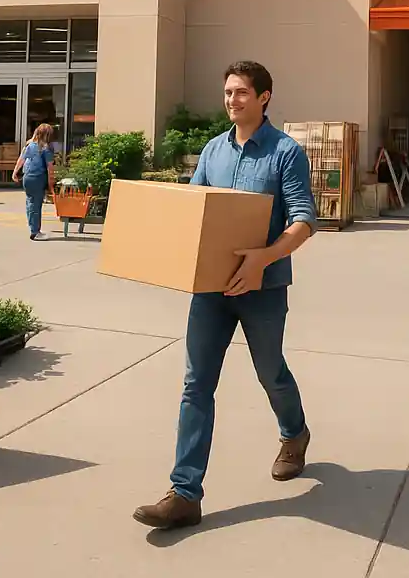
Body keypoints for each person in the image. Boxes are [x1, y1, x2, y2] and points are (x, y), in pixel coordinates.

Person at [133, 61, 317, 531]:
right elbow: (194, 211)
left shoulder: (285, 152)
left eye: (241, 92)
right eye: (228, 92)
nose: (232, 100)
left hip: (263, 289)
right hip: (211, 290)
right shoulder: (213, 151)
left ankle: (294, 434)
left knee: (270, 372)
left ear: (264, 98)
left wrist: (263, 258)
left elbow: (303, 222)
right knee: (196, 385)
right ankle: (184, 493)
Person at [13, 123, 56, 241]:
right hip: (38, 178)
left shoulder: (29, 145)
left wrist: (15, 172)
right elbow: (50, 167)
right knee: (36, 205)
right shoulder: (46, 148)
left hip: (27, 178)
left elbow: (21, 159)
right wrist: (51, 182)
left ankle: (33, 228)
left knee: (30, 203)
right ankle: (35, 231)